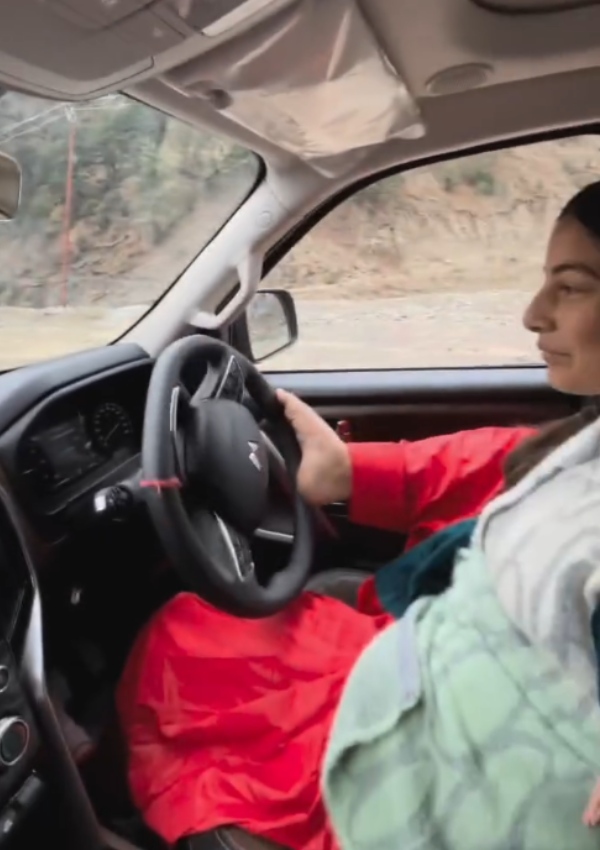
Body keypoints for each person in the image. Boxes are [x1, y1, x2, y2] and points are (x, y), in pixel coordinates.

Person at [117, 181, 600, 850]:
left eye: (570, 288)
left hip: (453, 731)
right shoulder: (577, 446)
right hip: (434, 657)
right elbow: (501, 462)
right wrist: (346, 470)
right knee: (196, 634)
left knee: (189, 644)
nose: (533, 314)